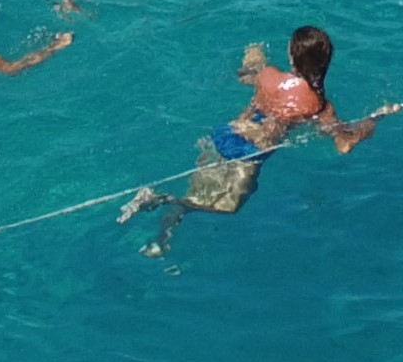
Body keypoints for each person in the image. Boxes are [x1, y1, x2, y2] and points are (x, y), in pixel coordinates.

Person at [118, 27, 374, 257]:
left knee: (196, 195)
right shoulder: (317, 104)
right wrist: (373, 121)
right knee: (227, 207)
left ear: (291, 56)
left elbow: (245, 74)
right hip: (249, 151)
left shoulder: (268, 75)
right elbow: (343, 144)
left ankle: (161, 240)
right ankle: (158, 199)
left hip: (225, 134)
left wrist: (255, 54)